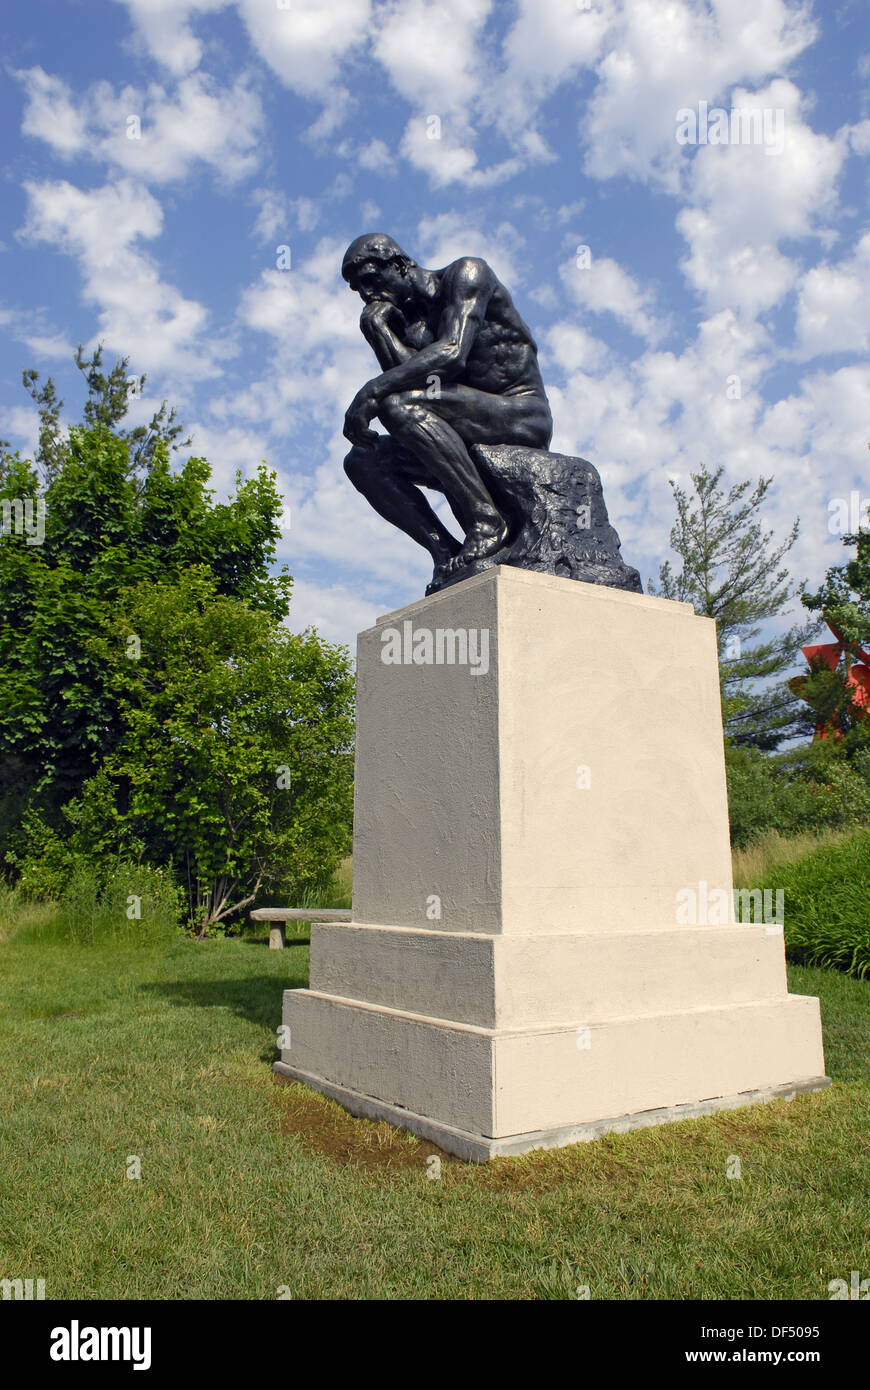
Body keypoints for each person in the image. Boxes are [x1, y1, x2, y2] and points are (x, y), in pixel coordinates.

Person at [341, 233, 553, 591]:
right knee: (363, 461)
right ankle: (444, 552)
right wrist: (377, 331)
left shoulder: (467, 274)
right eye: (359, 289)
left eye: (372, 280)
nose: (367, 295)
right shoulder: (410, 326)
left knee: (396, 404)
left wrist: (372, 391)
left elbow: (453, 354)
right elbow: (416, 381)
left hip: (517, 412)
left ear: (401, 264)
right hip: (461, 421)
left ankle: (487, 522)